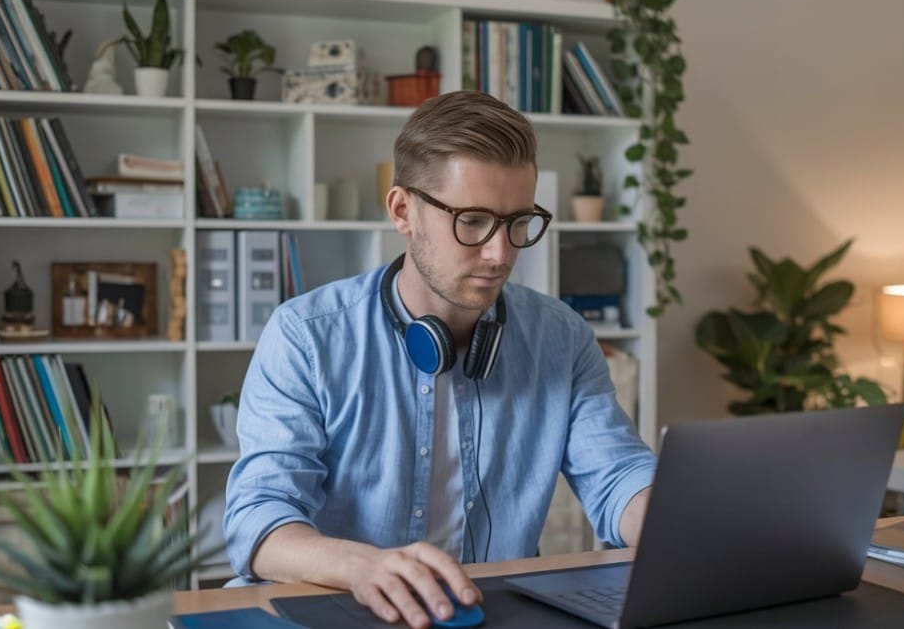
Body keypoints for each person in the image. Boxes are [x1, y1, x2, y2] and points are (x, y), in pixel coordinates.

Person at [224, 90, 656, 628]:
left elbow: (618, 476)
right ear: (403, 211)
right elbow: (258, 519)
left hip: (487, 613)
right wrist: (363, 567)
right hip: (336, 611)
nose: (501, 253)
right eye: (472, 221)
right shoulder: (306, 336)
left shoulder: (561, 337)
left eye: (518, 221)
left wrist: (677, 524)